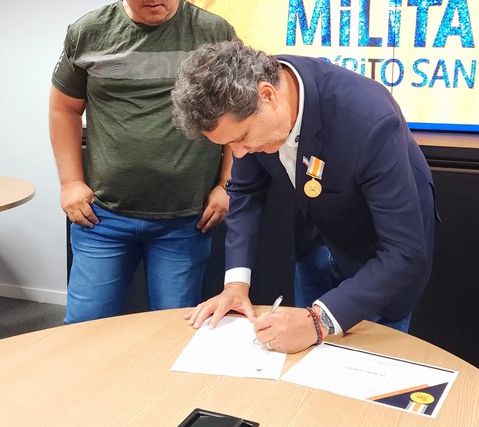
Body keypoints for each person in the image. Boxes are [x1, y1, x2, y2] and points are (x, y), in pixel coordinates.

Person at [171, 40, 435, 354]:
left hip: (378, 257)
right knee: (302, 359)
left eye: (241, 138)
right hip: (315, 240)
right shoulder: (247, 100)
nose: (238, 154)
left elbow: (404, 252)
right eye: (229, 145)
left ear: (267, 96)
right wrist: (236, 284)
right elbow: (244, 191)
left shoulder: (370, 120)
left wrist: (317, 322)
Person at [50, 0, 236, 323]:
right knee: (82, 330)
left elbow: (238, 117)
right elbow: (63, 109)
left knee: (171, 331)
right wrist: (70, 183)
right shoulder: (88, 33)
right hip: (102, 216)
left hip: (185, 219)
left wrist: (226, 185)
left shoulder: (214, 33)